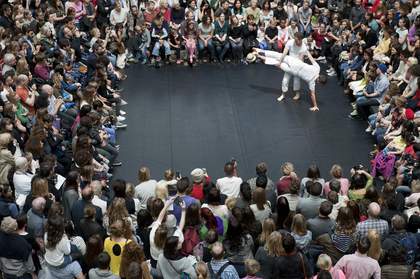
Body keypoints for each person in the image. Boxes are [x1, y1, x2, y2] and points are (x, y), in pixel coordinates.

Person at [254, 48, 326, 111]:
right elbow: (312, 95)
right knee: (276, 63)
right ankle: (260, 56)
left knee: (278, 55)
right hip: (293, 70)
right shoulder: (312, 82)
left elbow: (311, 58)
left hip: (295, 62)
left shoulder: (318, 68)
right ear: (319, 81)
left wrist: (306, 51)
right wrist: (315, 106)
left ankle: (259, 50)